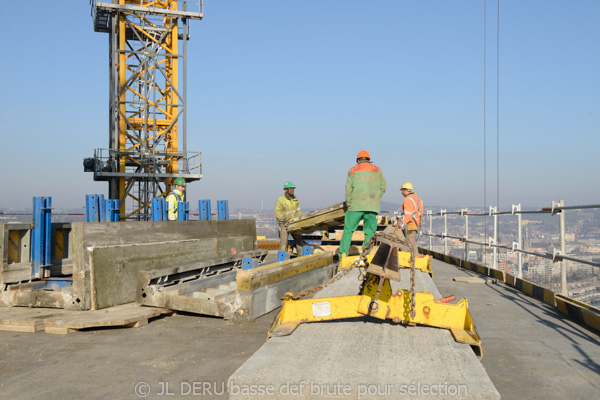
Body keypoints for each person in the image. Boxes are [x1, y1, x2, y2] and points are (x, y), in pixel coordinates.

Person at [338, 151, 386, 258]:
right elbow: (383, 187)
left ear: (357, 160)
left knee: (348, 230)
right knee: (370, 232)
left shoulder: (353, 170)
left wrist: (350, 203)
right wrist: (376, 199)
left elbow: (348, 188)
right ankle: (365, 255)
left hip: (355, 205)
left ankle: (343, 255)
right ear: (369, 159)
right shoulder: (377, 170)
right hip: (372, 206)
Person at [274, 182, 305, 253]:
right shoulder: (281, 200)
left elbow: (298, 211)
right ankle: (282, 261)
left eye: (293, 189)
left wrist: (298, 221)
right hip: (284, 224)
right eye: (291, 189)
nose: (292, 190)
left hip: (294, 222)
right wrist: (283, 220)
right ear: (286, 190)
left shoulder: (295, 199)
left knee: (299, 241)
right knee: (283, 243)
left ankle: (301, 258)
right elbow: (277, 211)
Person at [400, 182, 424, 260]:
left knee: (409, 239)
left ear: (405, 190)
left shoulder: (408, 199)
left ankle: (414, 256)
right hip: (415, 222)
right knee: (411, 239)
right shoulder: (417, 197)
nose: (401, 192)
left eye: (402, 190)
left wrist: (404, 224)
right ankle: (412, 255)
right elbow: (421, 211)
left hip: (410, 222)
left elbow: (408, 213)